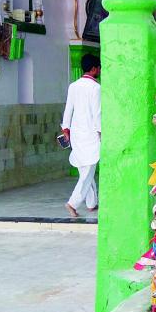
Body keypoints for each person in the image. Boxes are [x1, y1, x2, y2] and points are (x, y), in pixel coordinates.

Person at [61, 54, 101, 217]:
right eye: (98, 67)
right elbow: (97, 113)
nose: (99, 70)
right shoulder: (96, 88)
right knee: (88, 171)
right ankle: (73, 203)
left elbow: (68, 109)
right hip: (91, 134)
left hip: (76, 134)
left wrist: (65, 128)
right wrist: (101, 132)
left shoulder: (73, 86)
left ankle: (92, 203)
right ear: (93, 69)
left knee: (85, 168)